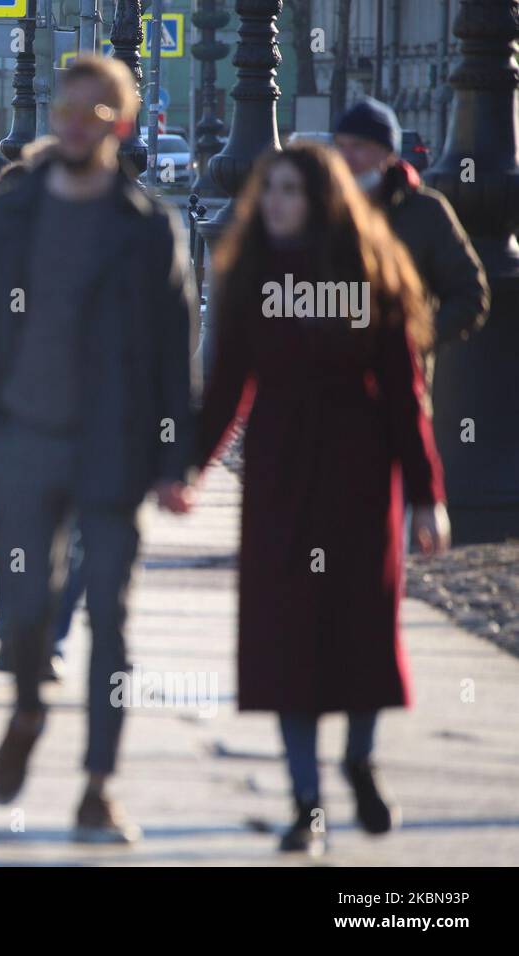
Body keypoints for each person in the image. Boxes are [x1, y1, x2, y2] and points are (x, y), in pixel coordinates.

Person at [0, 55, 197, 842]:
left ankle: (97, 785)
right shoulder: (14, 213)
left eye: (92, 113)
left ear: (121, 125)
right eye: (64, 110)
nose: (74, 125)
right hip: (22, 439)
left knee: (110, 619)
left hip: (114, 452)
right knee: (24, 609)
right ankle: (27, 706)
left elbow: (175, 354)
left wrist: (174, 460)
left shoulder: (147, 229)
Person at [196, 143, 450, 856]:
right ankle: (305, 802)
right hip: (280, 480)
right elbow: (226, 388)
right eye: (268, 189)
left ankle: (360, 760)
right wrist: (188, 466)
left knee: (363, 629)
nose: (273, 202)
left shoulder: (371, 274)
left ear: (323, 201)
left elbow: (407, 395)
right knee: (286, 643)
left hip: (361, 480)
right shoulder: (250, 276)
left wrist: (427, 497)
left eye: (288, 191)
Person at [334, 98, 488, 386]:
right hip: (328, 386)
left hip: (399, 383)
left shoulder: (425, 212)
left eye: (359, 147)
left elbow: (469, 294)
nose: (347, 159)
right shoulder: (323, 209)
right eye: (341, 147)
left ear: (388, 154)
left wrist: (416, 337)